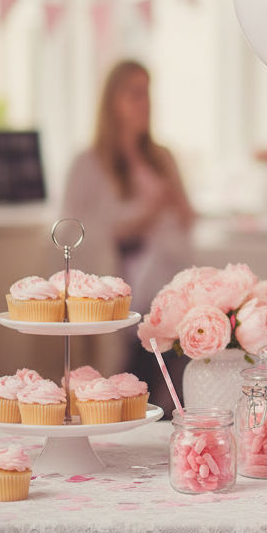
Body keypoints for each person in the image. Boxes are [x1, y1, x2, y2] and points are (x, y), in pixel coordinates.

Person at [62, 59, 195, 400]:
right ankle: (135, 395)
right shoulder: (89, 162)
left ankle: (165, 401)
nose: (145, 103)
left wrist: (174, 207)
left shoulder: (161, 156)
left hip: (165, 269)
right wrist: (145, 216)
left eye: (147, 93)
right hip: (120, 272)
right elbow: (75, 231)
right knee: (145, 326)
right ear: (113, 102)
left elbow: (185, 215)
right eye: (135, 94)